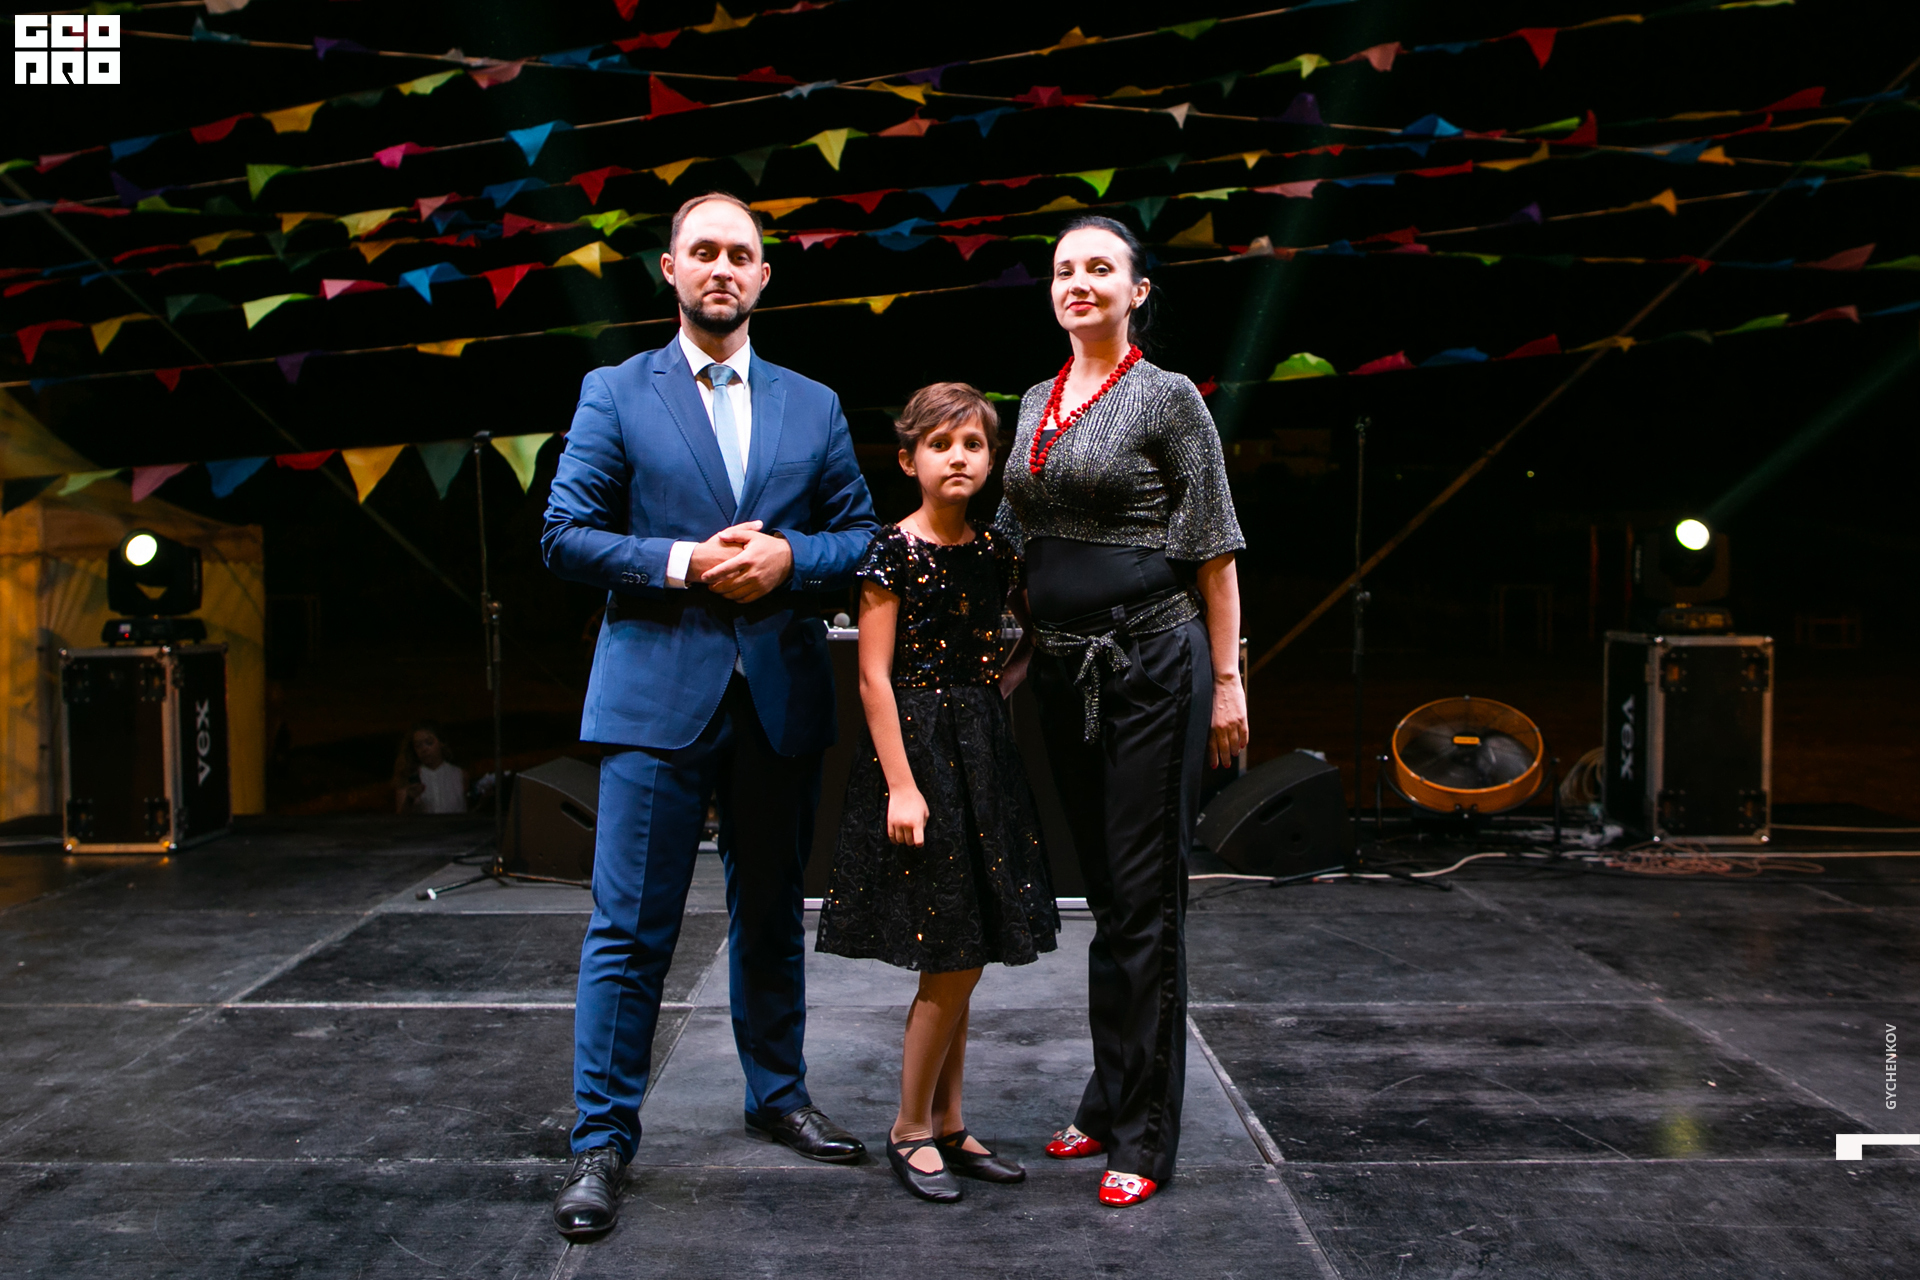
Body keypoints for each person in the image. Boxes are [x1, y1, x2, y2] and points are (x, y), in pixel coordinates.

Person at [540, 191, 879, 1239]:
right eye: (704, 251)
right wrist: (686, 561)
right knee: (629, 929)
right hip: (655, 698)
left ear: (763, 276)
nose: (722, 267)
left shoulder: (813, 404)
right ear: (672, 269)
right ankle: (601, 1137)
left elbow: (861, 537)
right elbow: (564, 533)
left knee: (771, 915)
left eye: (740, 253)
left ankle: (778, 1094)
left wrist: (789, 557)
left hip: (778, 695)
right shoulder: (615, 391)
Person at [997, 214, 1249, 1208]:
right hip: (1063, 674)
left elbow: (1214, 547)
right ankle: (1108, 1096)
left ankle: (1143, 1133)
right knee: (1105, 898)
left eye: (1100, 267)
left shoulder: (1168, 396)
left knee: (1147, 903)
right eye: (1065, 268)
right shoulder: (1036, 399)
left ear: (1137, 290)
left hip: (1152, 663)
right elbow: (1013, 533)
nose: (1078, 282)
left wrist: (1227, 680)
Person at [815, 384, 1059, 1203]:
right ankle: (910, 1127)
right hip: (919, 756)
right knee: (948, 953)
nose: (959, 458)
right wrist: (901, 786)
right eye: (941, 445)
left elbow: (1027, 632)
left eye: (974, 445)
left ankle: (951, 1122)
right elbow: (872, 678)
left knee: (969, 948)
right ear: (908, 459)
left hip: (982, 753)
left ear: (992, 459)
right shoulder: (891, 552)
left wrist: (999, 689)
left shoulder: (995, 552)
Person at [393, 722, 468, 814]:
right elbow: (401, 817)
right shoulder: (408, 775)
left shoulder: (459, 774)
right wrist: (410, 798)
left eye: (429, 743)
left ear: (441, 742)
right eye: (418, 745)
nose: (424, 749)